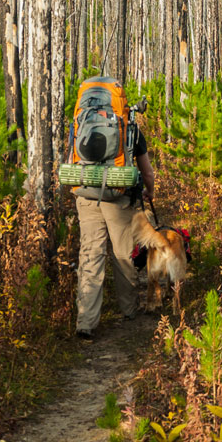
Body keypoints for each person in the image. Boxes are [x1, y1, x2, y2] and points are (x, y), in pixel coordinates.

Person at [73, 124, 156, 340]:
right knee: (122, 254)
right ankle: (129, 311)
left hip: (86, 194)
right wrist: (150, 191)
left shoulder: (82, 121)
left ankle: (85, 321)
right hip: (118, 197)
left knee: (91, 255)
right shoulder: (130, 127)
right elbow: (147, 171)